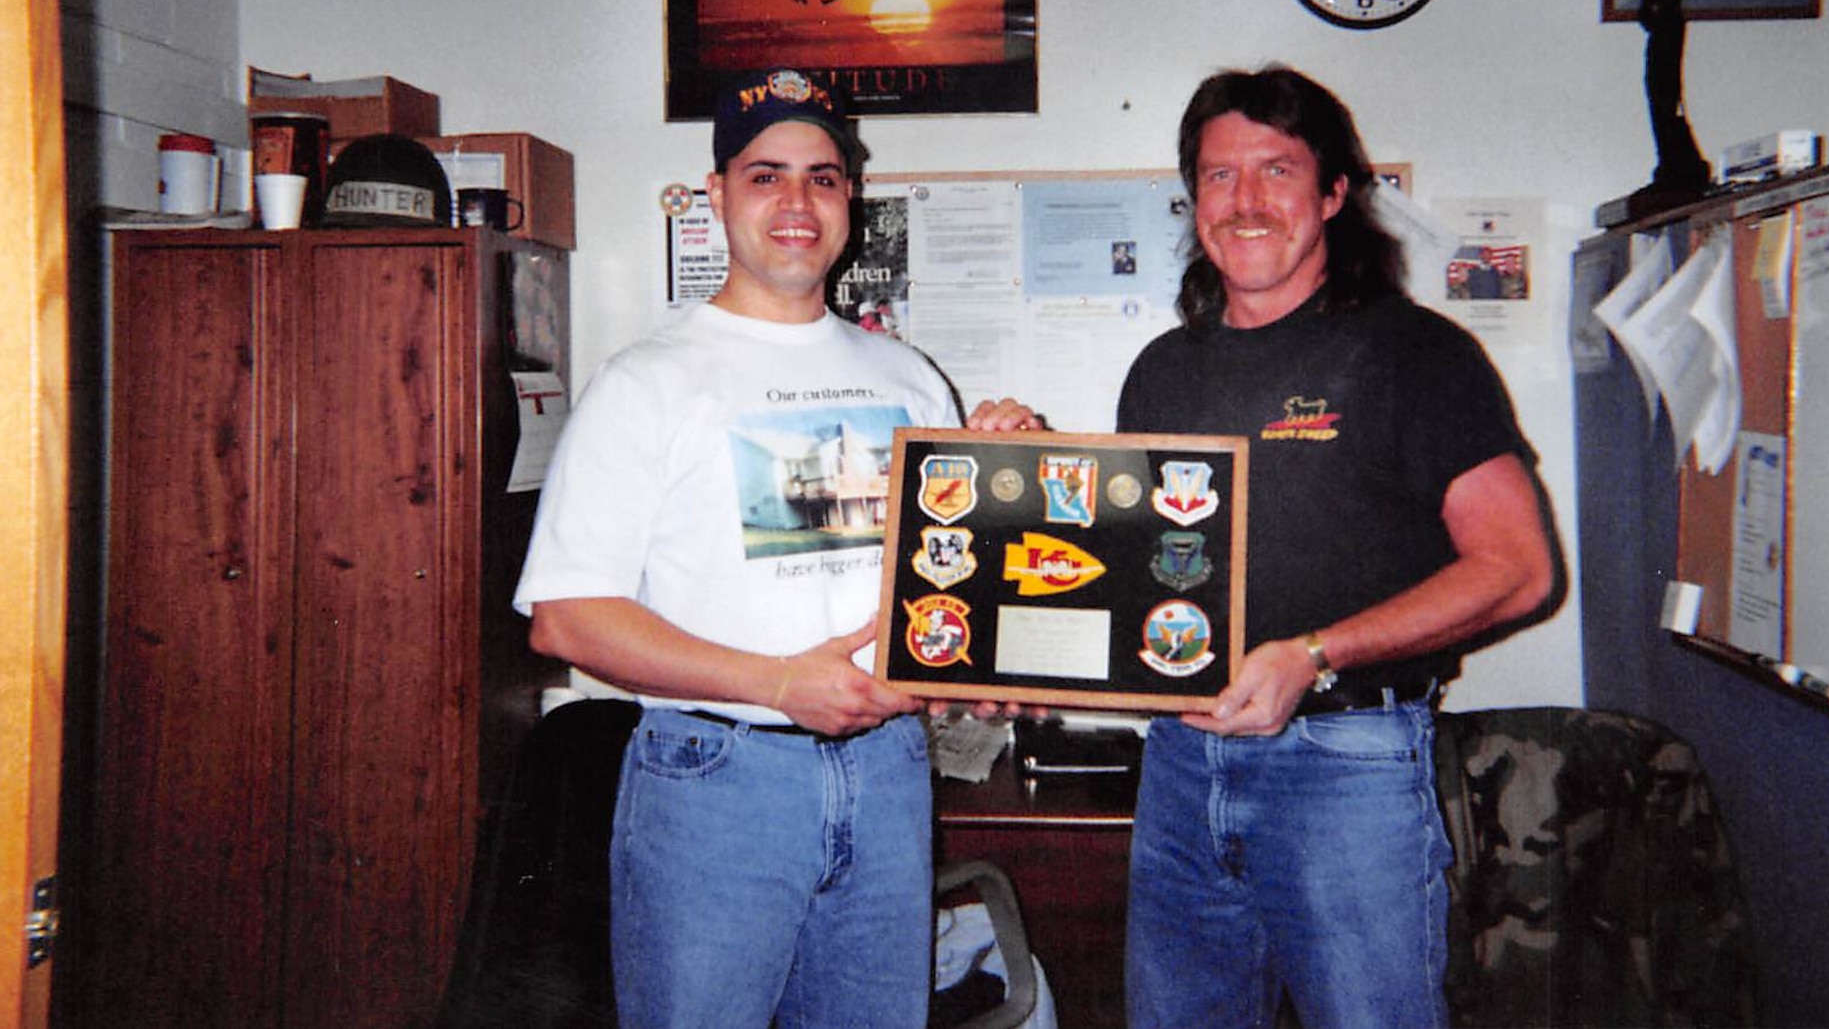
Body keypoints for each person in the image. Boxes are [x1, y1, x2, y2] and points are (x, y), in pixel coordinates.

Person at [514, 67, 1036, 1029]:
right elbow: (567, 618)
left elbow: (945, 590)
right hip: (717, 782)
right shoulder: (647, 382)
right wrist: (776, 682)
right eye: (766, 175)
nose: (798, 202)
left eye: (824, 177)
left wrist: (1008, 497)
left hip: (888, 775)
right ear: (717, 194)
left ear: (851, 199)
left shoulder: (913, 379)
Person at [1116, 65, 1560, 1029]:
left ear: (1332, 194)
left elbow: (1519, 568)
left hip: (1345, 761)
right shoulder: (1159, 372)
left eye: (1277, 171)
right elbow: (1140, 578)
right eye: (1219, 175)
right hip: (1181, 765)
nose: (1245, 201)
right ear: (1193, 201)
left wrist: (1312, 655)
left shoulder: (1415, 352)